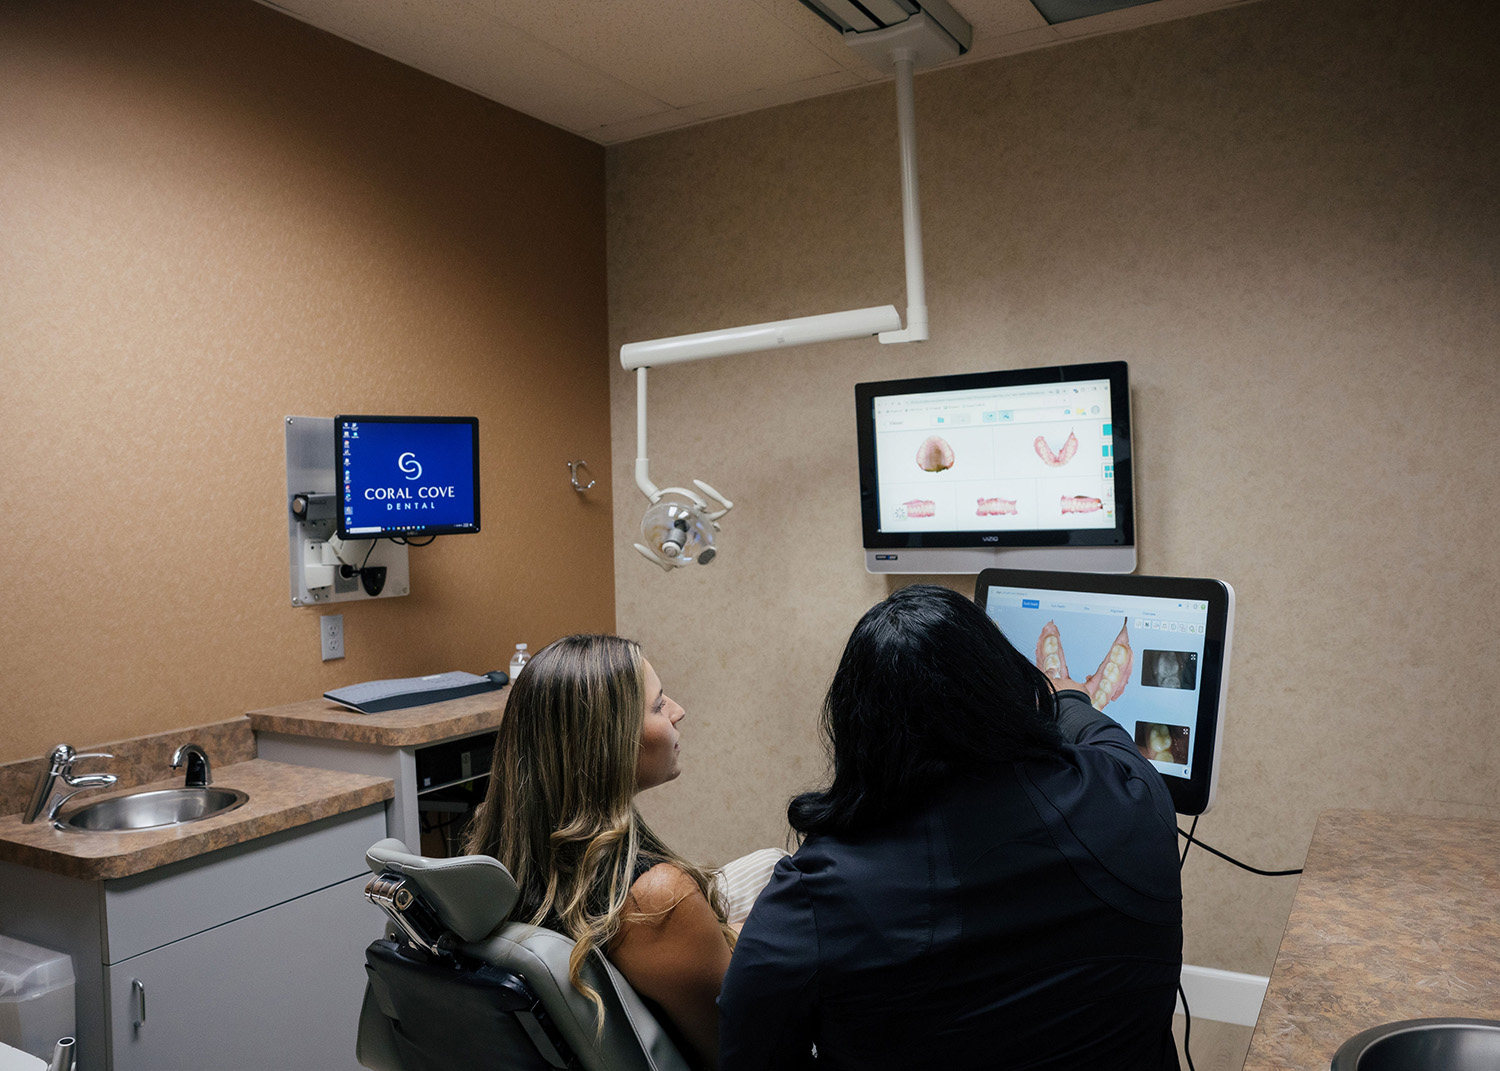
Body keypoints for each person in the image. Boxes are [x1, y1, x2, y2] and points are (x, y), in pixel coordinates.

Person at [718, 585, 1183, 1071]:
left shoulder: (816, 897)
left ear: (857, 726)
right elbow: (1096, 730)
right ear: (1011, 687)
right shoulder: (1134, 799)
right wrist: (1063, 692)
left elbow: (746, 1050)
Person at [463, 634, 736, 1069]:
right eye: (658, 704)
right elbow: (742, 1050)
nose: (678, 711)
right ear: (607, 742)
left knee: (765, 867)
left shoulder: (503, 860)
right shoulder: (655, 899)